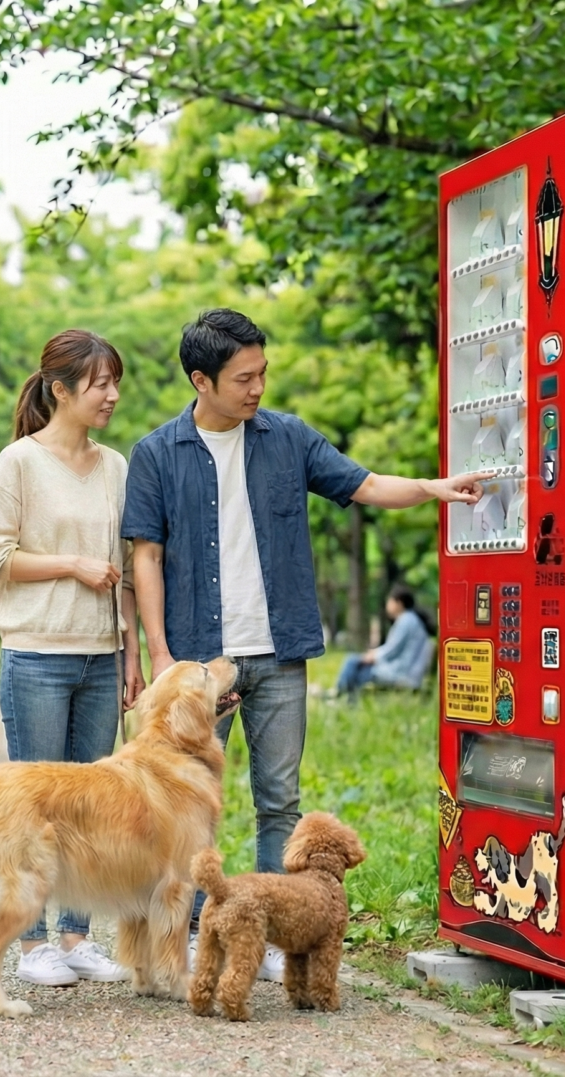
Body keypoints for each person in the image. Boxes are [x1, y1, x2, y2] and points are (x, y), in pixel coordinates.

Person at [121, 308, 489, 979]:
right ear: (201, 380)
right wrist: (162, 655)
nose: (258, 387)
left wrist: (433, 489)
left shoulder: (288, 438)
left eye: (262, 372)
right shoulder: (156, 454)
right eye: (243, 378)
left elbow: (365, 484)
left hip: (280, 653)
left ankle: (264, 937)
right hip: (198, 664)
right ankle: (181, 939)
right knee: (182, 806)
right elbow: (145, 555)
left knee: (278, 800)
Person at [0, 328, 145, 988]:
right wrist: (72, 564)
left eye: (115, 382)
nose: (112, 394)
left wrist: (130, 653)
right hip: (37, 657)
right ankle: (31, 943)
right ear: (61, 390)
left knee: (90, 809)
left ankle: (77, 937)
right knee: (34, 811)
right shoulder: (18, 462)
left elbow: (126, 571)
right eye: (100, 383)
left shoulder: (116, 466)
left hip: (101, 657)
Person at [332, 586, 432, 699]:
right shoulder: (411, 619)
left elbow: (392, 649)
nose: (387, 605)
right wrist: (374, 654)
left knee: (353, 663)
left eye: (390, 601)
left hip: (402, 674)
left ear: (399, 603)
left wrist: (373, 656)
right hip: (406, 671)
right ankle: (342, 697)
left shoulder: (406, 620)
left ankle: (338, 696)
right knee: (355, 666)